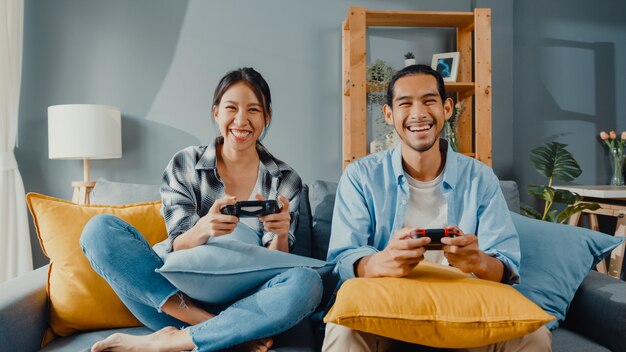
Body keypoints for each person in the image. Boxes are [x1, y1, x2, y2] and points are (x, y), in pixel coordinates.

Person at [80, 67, 323, 352]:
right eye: (231, 108)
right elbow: (178, 244)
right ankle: (214, 329)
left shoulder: (285, 179)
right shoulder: (185, 163)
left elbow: (275, 266)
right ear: (216, 113)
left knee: (308, 282)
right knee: (98, 230)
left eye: (253, 110)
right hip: (172, 303)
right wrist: (203, 228)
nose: (241, 120)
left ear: (266, 116)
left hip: (249, 306)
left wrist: (280, 235)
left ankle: (179, 339)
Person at [322, 64, 551, 352]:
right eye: (405, 103)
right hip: (387, 308)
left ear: (446, 108)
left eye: (429, 101)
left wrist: (477, 261)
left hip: (463, 309)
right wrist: (382, 262)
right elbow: (343, 259)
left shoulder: (480, 178)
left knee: (536, 336)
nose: (418, 113)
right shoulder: (361, 176)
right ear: (389, 115)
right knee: (343, 330)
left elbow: (505, 267)